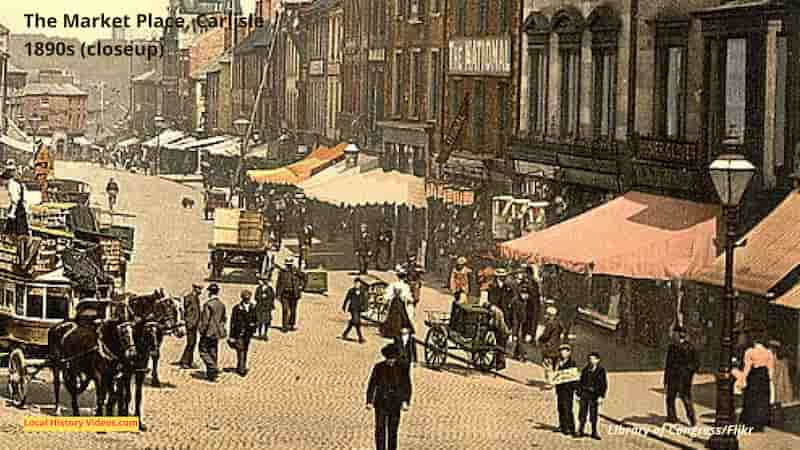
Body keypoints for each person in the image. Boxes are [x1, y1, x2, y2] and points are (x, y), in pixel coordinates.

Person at [367, 344, 412, 450]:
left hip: (395, 403)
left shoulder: (402, 368)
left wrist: (405, 401)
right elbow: (372, 384)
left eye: (392, 359)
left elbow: (407, 385)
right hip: (381, 403)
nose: (390, 361)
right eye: (388, 359)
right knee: (380, 428)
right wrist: (369, 401)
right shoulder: (378, 367)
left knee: (393, 430)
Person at [737, 336, 774, 431]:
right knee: (762, 400)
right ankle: (761, 423)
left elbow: (747, 367)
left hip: (754, 376)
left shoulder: (750, 352)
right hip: (764, 376)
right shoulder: (768, 352)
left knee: (752, 399)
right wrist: (769, 379)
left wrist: (742, 378)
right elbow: (770, 368)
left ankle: (751, 422)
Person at [664, 326, 698, 426]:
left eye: (675, 334)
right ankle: (672, 417)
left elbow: (696, 364)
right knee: (671, 398)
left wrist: (687, 372)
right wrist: (666, 379)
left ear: (679, 335)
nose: (673, 336)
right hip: (675, 377)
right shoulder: (673, 347)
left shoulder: (688, 347)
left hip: (683, 378)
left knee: (684, 398)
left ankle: (691, 419)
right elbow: (668, 364)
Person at [198, 283, 227, 382]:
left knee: (202, 350)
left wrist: (201, 330)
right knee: (213, 351)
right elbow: (224, 318)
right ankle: (211, 375)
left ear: (210, 293)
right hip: (217, 332)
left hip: (208, 332)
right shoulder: (221, 304)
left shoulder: (208, 304)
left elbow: (205, 320)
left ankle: (213, 367)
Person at [577, 352, 607, 440]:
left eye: (593, 359)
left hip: (594, 395)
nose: (591, 361)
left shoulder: (601, 371)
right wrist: (579, 394)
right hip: (585, 394)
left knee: (593, 414)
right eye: (589, 359)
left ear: (598, 360)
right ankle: (580, 430)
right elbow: (580, 382)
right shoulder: (585, 370)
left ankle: (594, 432)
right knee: (582, 413)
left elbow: (603, 384)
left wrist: (601, 396)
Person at [380, 267, 415, 338]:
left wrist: (385, 299)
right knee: (403, 315)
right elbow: (406, 296)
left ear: (398, 277)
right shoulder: (405, 286)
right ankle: (401, 329)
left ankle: (391, 330)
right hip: (400, 302)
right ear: (404, 278)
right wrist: (410, 299)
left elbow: (388, 293)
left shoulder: (393, 284)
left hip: (394, 302)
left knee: (392, 315)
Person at [229, 290, 258, 376]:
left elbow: (256, 319)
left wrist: (254, 326)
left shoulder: (253, 307)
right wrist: (231, 336)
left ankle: (241, 365)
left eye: (248, 299)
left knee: (245, 349)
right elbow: (233, 322)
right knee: (240, 349)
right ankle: (241, 369)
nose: (247, 300)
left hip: (248, 333)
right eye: (245, 299)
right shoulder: (237, 308)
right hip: (239, 332)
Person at [276, 257, 306, 332]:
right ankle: (284, 326)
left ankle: (291, 324)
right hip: (284, 294)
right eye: (287, 265)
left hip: (294, 294)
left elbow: (304, 278)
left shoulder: (296, 271)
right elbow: (278, 283)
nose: (288, 266)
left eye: (290, 264)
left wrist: (301, 287)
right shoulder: (282, 272)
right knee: (285, 310)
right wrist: (277, 294)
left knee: (293, 310)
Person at [1, 162, 30, 237]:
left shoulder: (12, 185)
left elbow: (15, 200)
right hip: (19, 209)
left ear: (5, 179)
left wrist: (12, 213)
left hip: (18, 211)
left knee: (17, 232)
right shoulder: (14, 184)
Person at [554, 344, 578, 436]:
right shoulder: (559, 363)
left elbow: (573, 376)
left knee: (567, 408)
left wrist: (575, 389)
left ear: (569, 353)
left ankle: (571, 428)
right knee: (560, 407)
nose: (562, 353)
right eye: (561, 351)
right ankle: (562, 425)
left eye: (565, 351)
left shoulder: (572, 363)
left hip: (568, 390)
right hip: (560, 389)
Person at [178, 283, 203, 369]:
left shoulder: (195, 298)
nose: (201, 291)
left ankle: (188, 361)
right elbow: (186, 311)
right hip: (191, 324)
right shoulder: (189, 297)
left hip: (194, 324)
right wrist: (188, 321)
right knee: (190, 343)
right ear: (195, 289)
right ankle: (185, 362)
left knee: (192, 343)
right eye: (199, 289)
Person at [539, 306, 564, 375]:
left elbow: (545, 335)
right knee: (554, 364)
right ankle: (553, 378)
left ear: (550, 315)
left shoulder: (550, 324)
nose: (546, 316)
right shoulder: (559, 323)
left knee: (547, 364)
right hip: (557, 346)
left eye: (547, 314)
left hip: (549, 347)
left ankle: (550, 380)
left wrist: (540, 339)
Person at [768, 340, 794, 407]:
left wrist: (788, 396)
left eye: (773, 348)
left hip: (778, 392)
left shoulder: (782, 363)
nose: (771, 349)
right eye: (770, 347)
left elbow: (786, 380)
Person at [341, 277, 368, 343]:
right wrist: (344, 307)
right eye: (356, 283)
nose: (357, 285)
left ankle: (345, 333)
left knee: (353, 322)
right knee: (357, 322)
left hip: (359, 309)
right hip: (353, 308)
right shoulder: (351, 291)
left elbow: (365, 300)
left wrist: (365, 307)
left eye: (358, 283)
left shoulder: (363, 291)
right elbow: (347, 299)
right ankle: (360, 338)